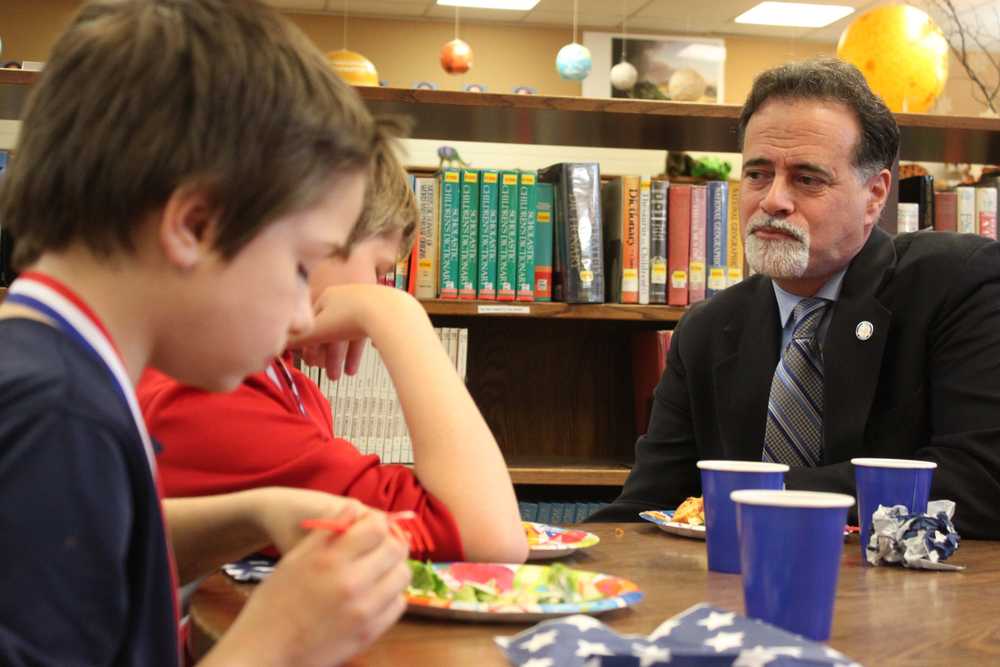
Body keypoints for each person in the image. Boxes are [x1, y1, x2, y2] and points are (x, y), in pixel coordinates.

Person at [0, 1, 414, 664]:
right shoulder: (60, 417)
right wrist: (277, 640)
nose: (306, 315)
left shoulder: (54, 369)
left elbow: (92, 541)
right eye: (301, 263)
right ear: (193, 226)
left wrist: (251, 513)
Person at [589, 57, 1000, 539]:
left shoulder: (957, 283)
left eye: (807, 178)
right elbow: (650, 505)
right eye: (759, 174)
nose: (773, 201)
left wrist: (761, 498)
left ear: (875, 194)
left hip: (913, 599)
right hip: (736, 595)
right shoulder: (706, 329)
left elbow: (981, 482)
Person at [138, 119, 528, 564]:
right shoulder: (208, 395)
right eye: (380, 272)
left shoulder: (288, 384)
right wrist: (398, 316)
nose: (378, 288)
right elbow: (488, 542)